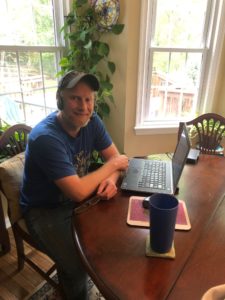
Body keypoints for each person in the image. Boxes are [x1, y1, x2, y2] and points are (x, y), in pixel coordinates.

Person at [20, 70, 129, 299]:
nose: (83, 106)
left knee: (112, 234)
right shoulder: (45, 138)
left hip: (73, 200)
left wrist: (111, 179)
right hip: (44, 210)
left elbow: (116, 160)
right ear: (60, 99)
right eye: (75, 98)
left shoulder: (93, 122)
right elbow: (79, 191)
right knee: (79, 264)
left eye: (88, 99)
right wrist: (112, 167)